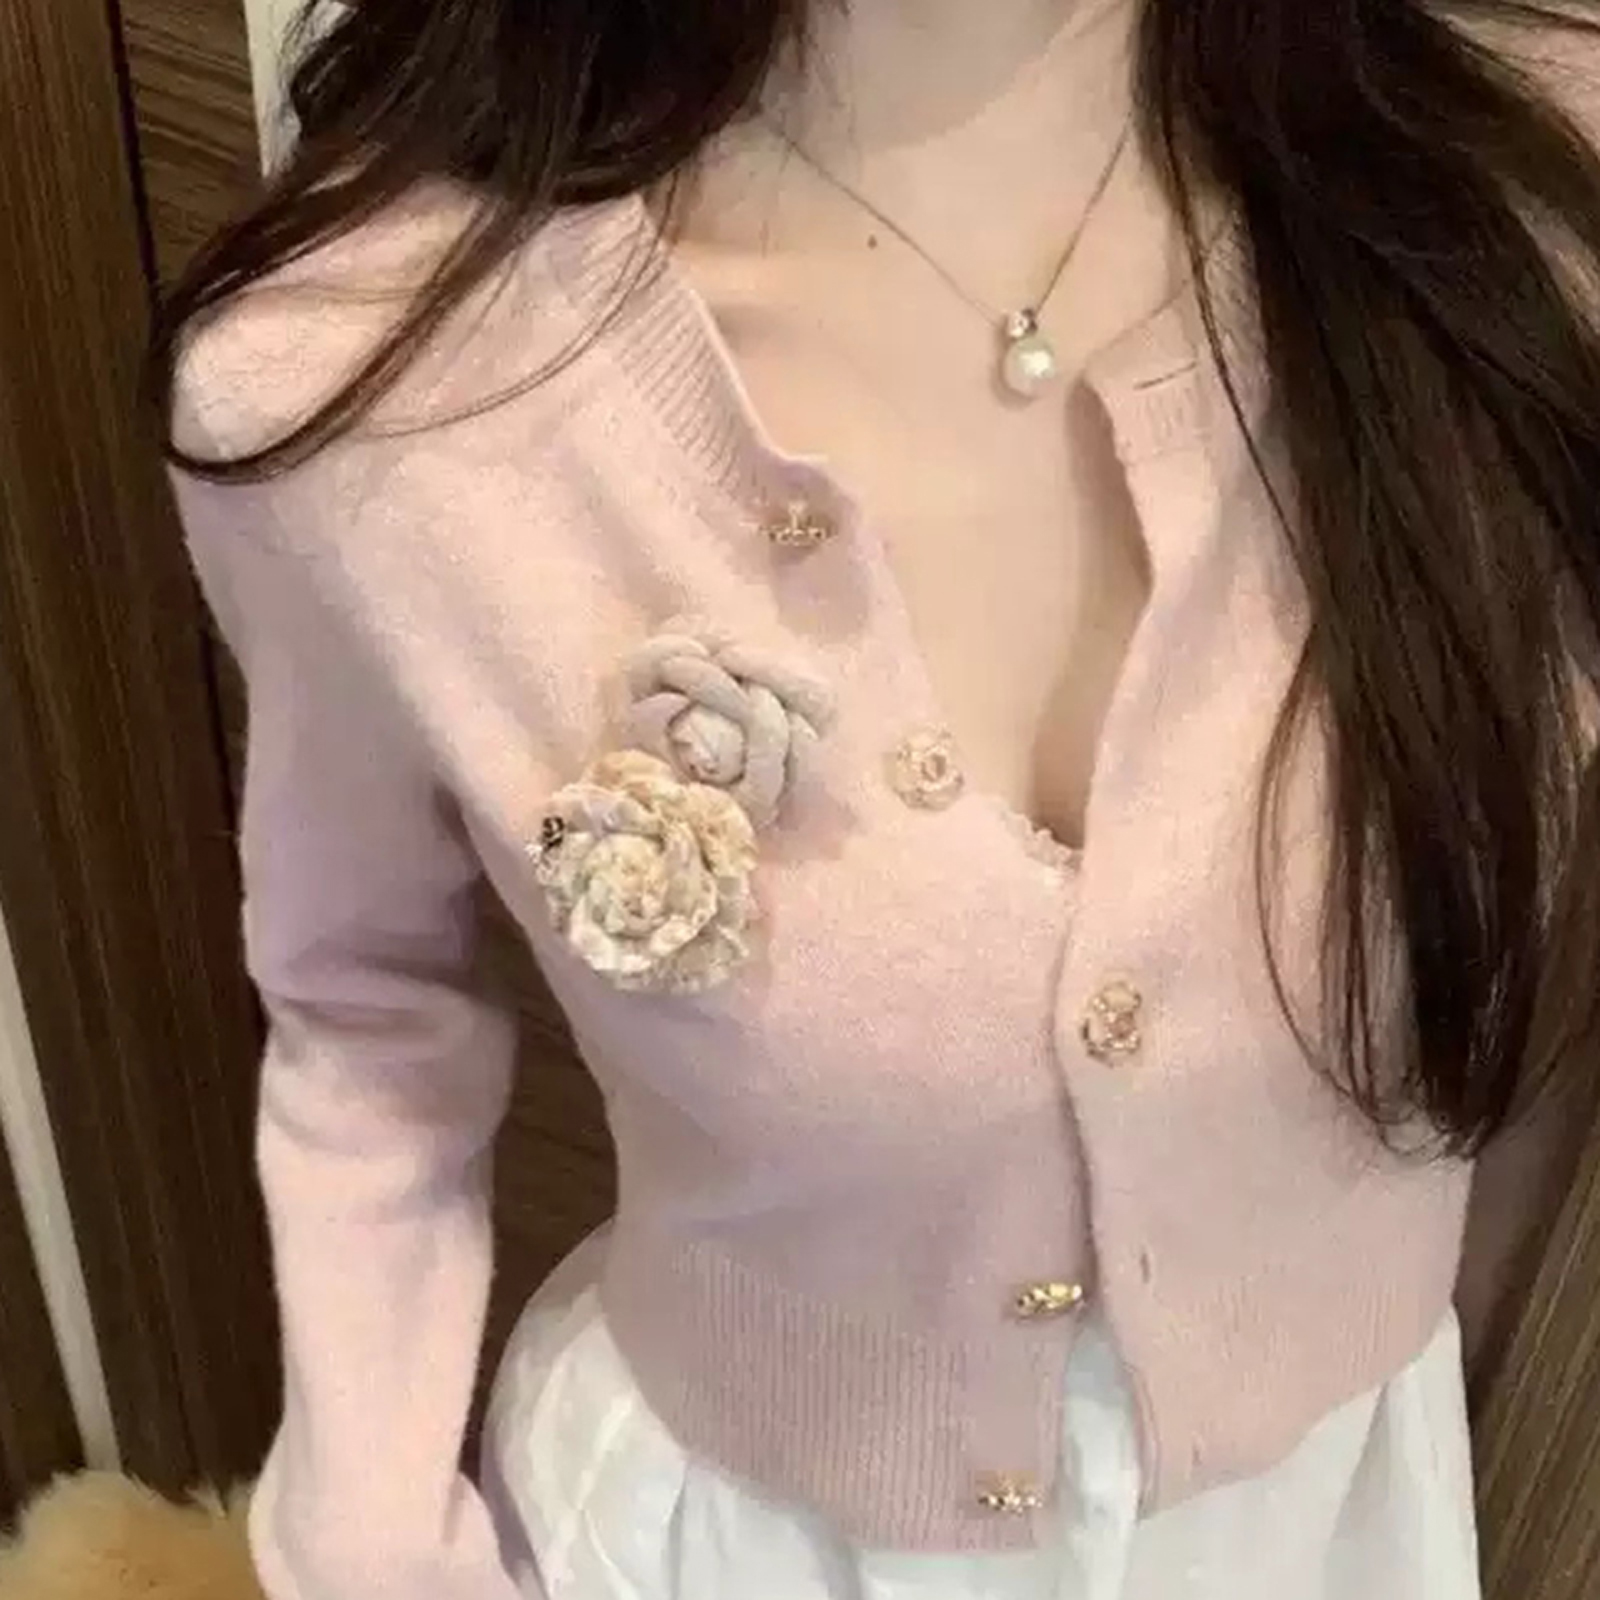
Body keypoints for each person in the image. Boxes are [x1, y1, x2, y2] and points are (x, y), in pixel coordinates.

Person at [152, 0, 1600, 1595]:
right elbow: (366, 1005)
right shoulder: (366, 386)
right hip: (730, 1547)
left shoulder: (1534, 206)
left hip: (1337, 1533)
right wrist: (371, 1548)